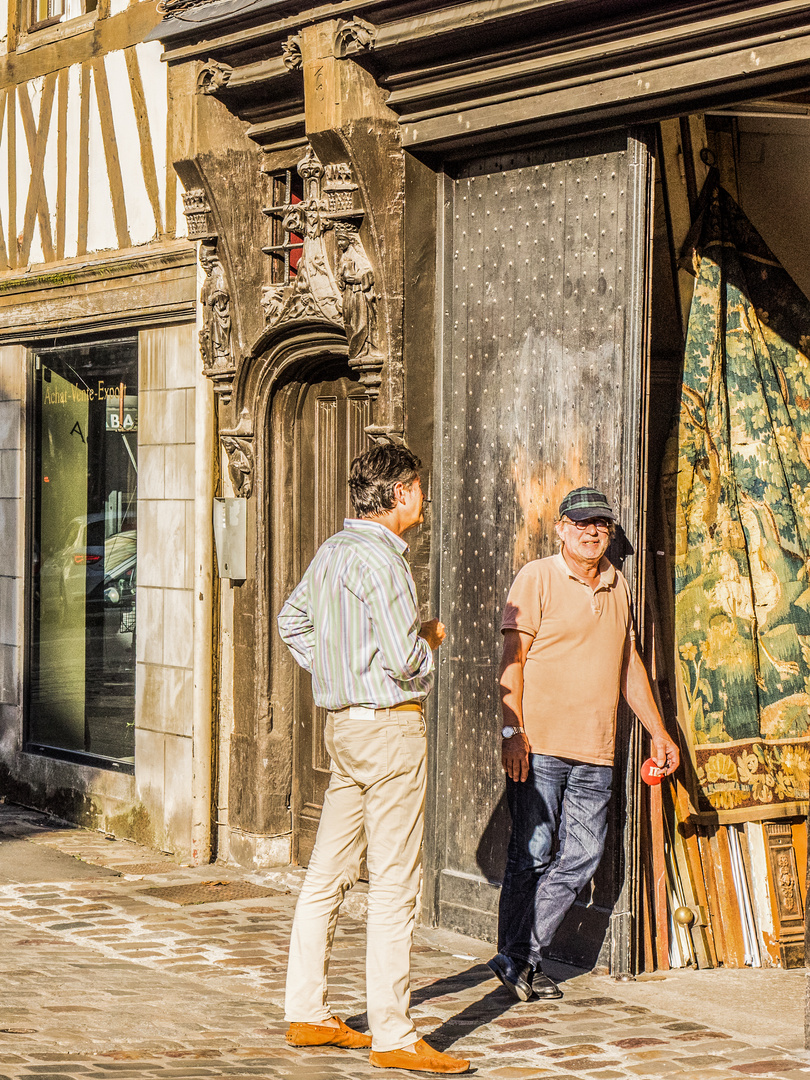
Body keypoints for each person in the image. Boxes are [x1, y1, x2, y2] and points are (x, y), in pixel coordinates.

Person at [278, 443, 470, 1076]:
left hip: (345, 728)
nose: (424, 496)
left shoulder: (334, 551)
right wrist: (431, 642)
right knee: (394, 883)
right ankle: (393, 1032)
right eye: (417, 486)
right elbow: (405, 659)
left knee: (328, 872)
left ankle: (307, 1011)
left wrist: (335, 671)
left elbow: (291, 622)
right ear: (397, 494)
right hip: (388, 727)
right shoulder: (384, 561)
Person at [488, 486, 680, 1002]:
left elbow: (628, 665)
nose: (592, 531)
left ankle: (518, 955)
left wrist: (658, 731)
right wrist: (512, 731)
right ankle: (523, 959)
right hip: (540, 745)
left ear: (610, 534)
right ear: (561, 529)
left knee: (583, 855)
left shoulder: (620, 586)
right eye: (581, 523)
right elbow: (514, 657)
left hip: (596, 750)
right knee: (531, 854)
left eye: (601, 525)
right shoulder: (538, 577)